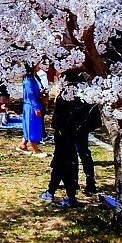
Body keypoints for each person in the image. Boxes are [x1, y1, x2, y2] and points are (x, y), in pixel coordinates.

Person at [39, 71, 102, 205]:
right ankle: (56, 191)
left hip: (66, 134)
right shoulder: (85, 95)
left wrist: (62, 129)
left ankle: (66, 194)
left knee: (64, 162)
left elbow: (59, 117)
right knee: (65, 161)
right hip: (76, 132)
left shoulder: (67, 96)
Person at [19, 64, 46, 156]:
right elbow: (30, 95)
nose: (40, 66)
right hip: (31, 105)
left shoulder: (35, 77)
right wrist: (35, 108)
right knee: (32, 126)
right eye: (38, 64)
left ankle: (23, 145)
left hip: (36, 103)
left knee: (31, 125)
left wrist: (40, 92)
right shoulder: (28, 79)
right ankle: (35, 150)